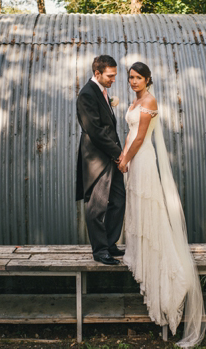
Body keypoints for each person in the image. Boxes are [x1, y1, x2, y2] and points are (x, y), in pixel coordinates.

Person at [118, 62, 205, 347]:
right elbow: (131, 134)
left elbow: (141, 137)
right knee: (136, 204)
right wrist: (122, 154)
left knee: (148, 203)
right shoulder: (136, 100)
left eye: (138, 77)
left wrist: (126, 159)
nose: (133, 81)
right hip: (133, 157)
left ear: (147, 79)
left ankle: (161, 265)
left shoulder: (150, 99)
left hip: (142, 159)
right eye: (130, 77)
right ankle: (138, 248)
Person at [76, 55, 126, 265]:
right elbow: (95, 131)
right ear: (97, 73)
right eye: (110, 75)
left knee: (118, 200)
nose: (113, 79)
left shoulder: (102, 92)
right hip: (97, 160)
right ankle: (100, 251)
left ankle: (110, 242)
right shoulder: (87, 94)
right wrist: (118, 153)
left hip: (110, 157)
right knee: (96, 207)